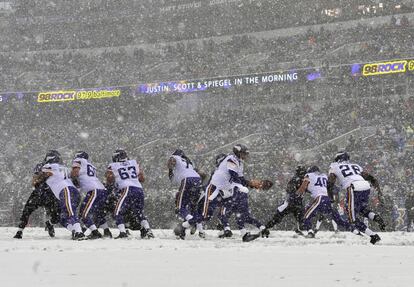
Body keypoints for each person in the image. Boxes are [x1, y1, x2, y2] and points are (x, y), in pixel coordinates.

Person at [202, 144, 267, 242]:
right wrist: (247, 184)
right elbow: (234, 176)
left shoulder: (238, 162)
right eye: (243, 153)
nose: (245, 156)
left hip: (229, 192)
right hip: (221, 191)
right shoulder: (231, 160)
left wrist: (250, 184)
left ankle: (237, 232)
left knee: (235, 213)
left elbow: (239, 178)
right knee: (209, 214)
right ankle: (187, 226)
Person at [327, 151, 385, 244]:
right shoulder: (356, 166)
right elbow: (372, 179)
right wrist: (379, 193)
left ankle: (373, 236)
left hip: (353, 187)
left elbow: (330, 182)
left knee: (351, 219)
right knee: (361, 209)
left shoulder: (334, 166)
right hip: (366, 186)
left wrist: (330, 197)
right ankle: (375, 217)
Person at [105, 149, 153, 239]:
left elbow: (110, 179)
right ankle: (148, 230)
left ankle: (122, 232)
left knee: (117, 211)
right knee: (138, 212)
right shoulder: (134, 163)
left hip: (126, 188)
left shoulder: (113, 165)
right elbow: (142, 178)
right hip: (139, 189)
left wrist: (111, 183)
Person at [297, 166, 353, 238]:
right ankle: (353, 227)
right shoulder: (324, 176)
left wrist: (296, 194)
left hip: (319, 198)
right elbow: (327, 186)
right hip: (326, 199)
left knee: (306, 216)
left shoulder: (309, 175)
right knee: (337, 219)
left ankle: (310, 232)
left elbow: (303, 187)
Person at [41, 150, 85, 240]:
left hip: (65, 190)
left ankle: (79, 232)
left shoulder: (50, 166)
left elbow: (42, 175)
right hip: (73, 191)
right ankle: (74, 230)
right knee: (63, 218)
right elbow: (75, 180)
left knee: (70, 212)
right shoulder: (64, 168)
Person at [13, 162, 61, 239]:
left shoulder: (55, 171)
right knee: (27, 210)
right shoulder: (41, 168)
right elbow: (34, 181)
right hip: (38, 195)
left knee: (57, 216)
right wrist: (39, 180)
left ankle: (50, 223)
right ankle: (20, 231)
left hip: (50, 196)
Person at [71, 151, 111, 239]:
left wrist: (73, 180)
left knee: (83, 214)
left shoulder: (79, 160)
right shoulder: (90, 165)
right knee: (98, 213)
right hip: (102, 190)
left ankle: (95, 232)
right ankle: (107, 231)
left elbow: (75, 172)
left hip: (94, 190)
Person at [169, 149, 205, 239]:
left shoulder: (176, 157)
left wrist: (170, 167)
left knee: (181, 207)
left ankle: (190, 222)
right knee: (192, 206)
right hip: (197, 180)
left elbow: (171, 162)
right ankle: (196, 229)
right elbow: (202, 174)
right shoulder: (190, 162)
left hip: (187, 180)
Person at [263, 165, 307, 236]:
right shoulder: (297, 180)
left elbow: (289, 190)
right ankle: (265, 228)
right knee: (279, 217)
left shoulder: (300, 180)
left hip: (294, 202)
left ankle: (266, 228)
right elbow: (290, 190)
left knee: (280, 217)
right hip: (292, 202)